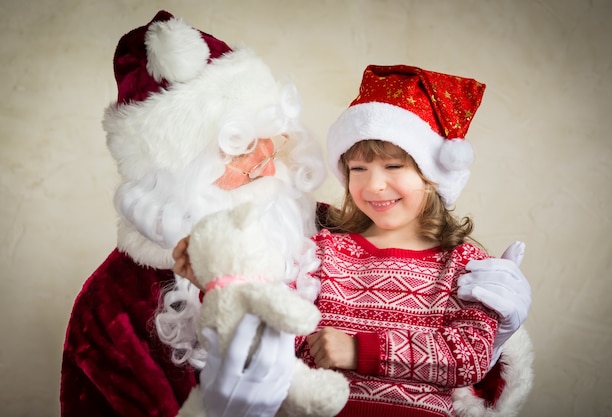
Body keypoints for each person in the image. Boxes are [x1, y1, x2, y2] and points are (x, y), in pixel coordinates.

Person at [61, 10, 531, 417]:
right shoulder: (108, 307)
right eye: (237, 147)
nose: (266, 156)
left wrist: (496, 340)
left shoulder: (327, 225)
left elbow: (457, 372)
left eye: (269, 131)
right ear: (175, 177)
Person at [172, 65, 534, 417]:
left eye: (394, 167)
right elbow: (288, 337)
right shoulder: (325, 251)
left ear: (434, 176)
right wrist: (214, 282)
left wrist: (359, 349)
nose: (373, 185)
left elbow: (467, 358)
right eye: (357, 169)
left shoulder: (463, 263)